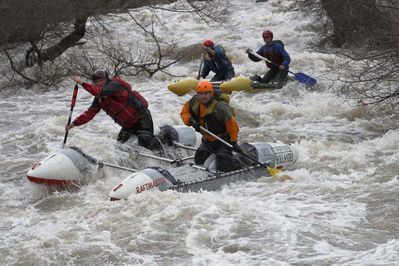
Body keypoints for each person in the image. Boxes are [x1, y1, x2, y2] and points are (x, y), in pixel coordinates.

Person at [65, 69, 157, 149]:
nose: (99, 83)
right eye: (96, 81)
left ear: (106, 79)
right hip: (128, 126)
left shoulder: (114, 85)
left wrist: (82, 83)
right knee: (120, 147)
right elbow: (89, 113)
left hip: (142, 119)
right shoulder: (99, 98)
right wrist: (74, 124)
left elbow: (99, 91)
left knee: (145, 145)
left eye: (101, 80)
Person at [180, 80, 243, 172]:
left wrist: (234, 141)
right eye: (201, 94)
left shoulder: (220, 107)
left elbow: (232, 125)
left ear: (211, 93)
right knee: (199, 158)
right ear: (198, 94)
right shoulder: (194, 102)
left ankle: (239, 165)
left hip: (223, 141)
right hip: (208, 141)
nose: (203, 96)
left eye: (206, 94)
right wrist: (191, 121)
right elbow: (184, 112)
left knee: (223, 162)